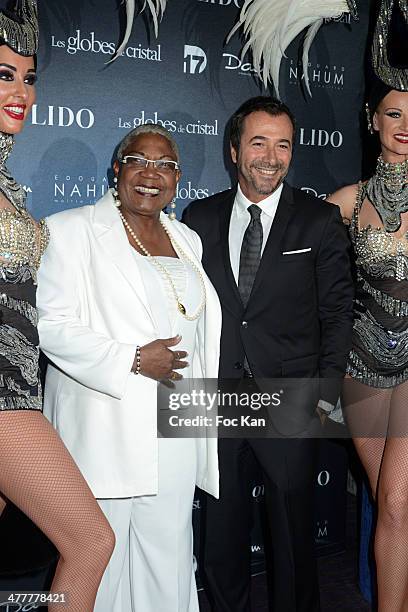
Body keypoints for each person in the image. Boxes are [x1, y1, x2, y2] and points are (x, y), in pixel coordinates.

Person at [36, 123, 222, 612]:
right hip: (106, 422)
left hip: (174, 424)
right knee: (103, 557)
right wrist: (133, 359)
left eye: (165, 165)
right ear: (117, 168)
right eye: (140, 160)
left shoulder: (186, 238)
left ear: (178, 179)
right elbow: (51, 326)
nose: (151, 174)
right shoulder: (70, 229)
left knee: (170, 554)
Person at [182, 95, 354, 612]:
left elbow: (338, 312)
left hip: (291, 399)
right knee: (221, 533)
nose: (271, 157)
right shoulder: (200, 216)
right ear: (235, 149)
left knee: (292, 538)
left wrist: (323, 397)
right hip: (219, 399)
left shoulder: (320, 220)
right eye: (259, 142)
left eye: (283, 145)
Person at [0, 1, 115, 610]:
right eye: (3, 74)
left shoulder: (9, 188)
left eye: (28, 76)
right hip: (1, 398)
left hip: (21, 387)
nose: (20, 90)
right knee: (92, 541)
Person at [327, 2, 408, 603]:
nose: (405, 125)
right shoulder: (346, 204)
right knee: (392, 506)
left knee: (400, 501)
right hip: (361, 373)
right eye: (394, 113)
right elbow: (312, 289)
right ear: (372, 118)